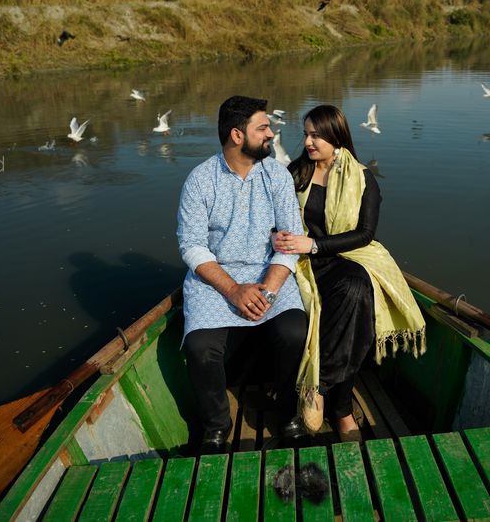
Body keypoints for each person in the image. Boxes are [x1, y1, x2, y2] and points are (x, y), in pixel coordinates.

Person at [274, 104, 426, 441]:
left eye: (317, 134)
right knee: (358, 317)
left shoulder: (361, 177)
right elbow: (274, 218)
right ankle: (342, 411)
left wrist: (312, 244)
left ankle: (319, 387)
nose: (308, 141)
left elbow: (365, 235)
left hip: (343, 256)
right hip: (300, 264)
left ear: (336, 136)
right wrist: (282, 238)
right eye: (306, 133)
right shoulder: (295, 172)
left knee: (357, 288)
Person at [177, 95, 308, 453]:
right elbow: (192, 247)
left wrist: (269, 287)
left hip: (269, 272)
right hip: (216, 278)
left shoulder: (277, 176)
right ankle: (217, 425)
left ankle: (287, 413)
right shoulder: (200, 180)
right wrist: (233, 290)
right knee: (200, 347)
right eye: (263, 127)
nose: (271, 133)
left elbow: (290, 240)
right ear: (237, 135)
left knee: (294, 330)